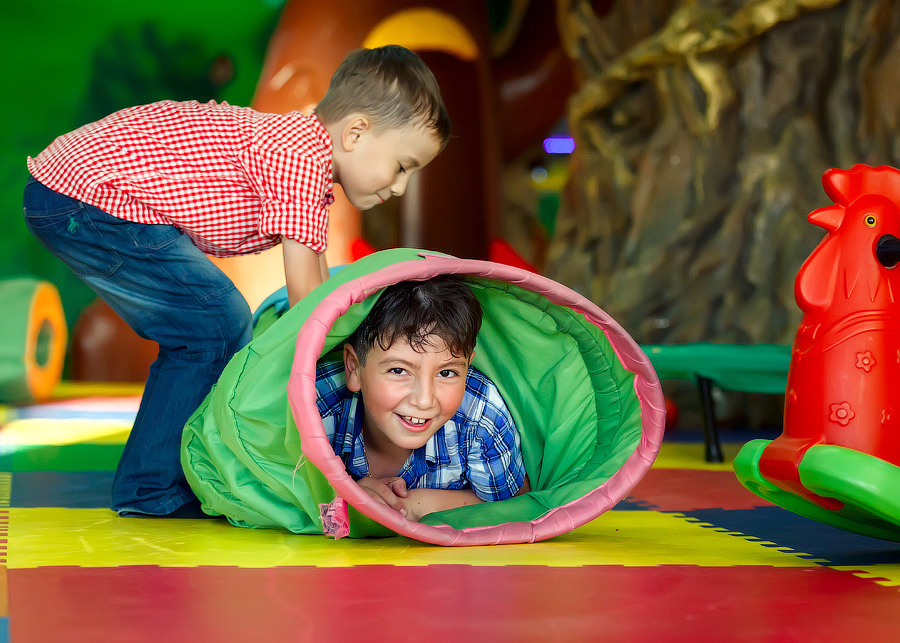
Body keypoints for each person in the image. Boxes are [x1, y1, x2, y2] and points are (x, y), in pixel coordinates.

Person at [22, 45, 451, 517]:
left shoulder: (299, 150)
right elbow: (311, 301)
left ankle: (162, 478)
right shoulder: (301, 156)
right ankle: (152, 489)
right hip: (86, 195)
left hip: (82, 192)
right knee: (216, 325)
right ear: (354, 133)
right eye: (403, 165)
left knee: (208, 328)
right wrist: (345, 369)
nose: (400, 188)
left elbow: (320, 287)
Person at [316, 276, 529, 522]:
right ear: (354, 368)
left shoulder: (481, 412)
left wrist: (416, 505)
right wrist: (344, 504)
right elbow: (281, 491)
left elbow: (517, 503)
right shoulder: (318, 402)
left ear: (467, 369)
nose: (425, 400)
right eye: (398, 371)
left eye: (446, 372)